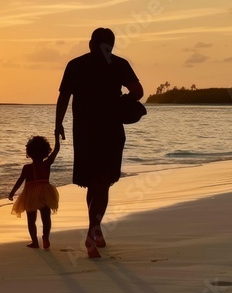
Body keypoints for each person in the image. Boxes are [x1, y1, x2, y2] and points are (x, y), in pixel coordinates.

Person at [55, 28, 143, 258]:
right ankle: (92, 234)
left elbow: (64, 96)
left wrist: (58, 125)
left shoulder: (75, 64)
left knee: (95, 182)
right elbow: (138, 91)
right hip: (110, 130)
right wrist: (123, 100)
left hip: (84, 132)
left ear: (90, 43)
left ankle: (96, 232)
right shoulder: (119, 64)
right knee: (101, 183)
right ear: (112, 44)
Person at [8, 135, 61, 249]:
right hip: (45, 193)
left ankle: (35, 242)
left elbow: (20, 181)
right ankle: (45, 238)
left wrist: (12, 192)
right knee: (46, 218)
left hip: (30, 195)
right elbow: (56, 150)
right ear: (46, 151)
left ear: (29, 152)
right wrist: (57, 138)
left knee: (31, 220)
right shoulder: (47, 164)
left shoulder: (27, 168)